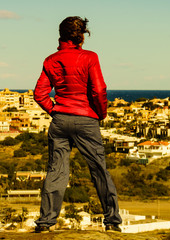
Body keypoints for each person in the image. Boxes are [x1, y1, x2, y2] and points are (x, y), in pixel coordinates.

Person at [34, 16, 122, 233]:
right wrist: (100, 114)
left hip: (60, 120)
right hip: (86, 120)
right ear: (82, 36)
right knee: (99, 170)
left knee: (56, 171)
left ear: (60, 35)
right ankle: (111, 221)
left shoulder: (50, 60)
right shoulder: (90, 57)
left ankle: (45, 223)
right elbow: (99, 89)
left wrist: (53, 109)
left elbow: (39, 93)